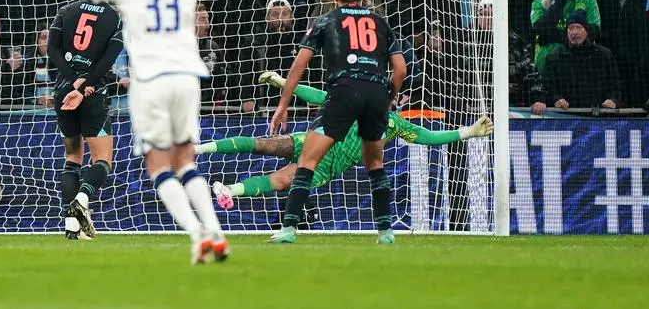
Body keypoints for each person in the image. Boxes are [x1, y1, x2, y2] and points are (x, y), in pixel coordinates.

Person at [0, 0, 302, 263]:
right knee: (185, 160)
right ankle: (214, 231)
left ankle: (197, 235)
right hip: (186, 78)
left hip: (149, 81)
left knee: (158, 166)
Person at [267, 0, 406, 245]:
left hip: (344, 92)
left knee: (308, 160)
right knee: (375, 163)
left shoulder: (327, 21)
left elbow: (299, 65)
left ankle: (289, 229)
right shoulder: (380, 22)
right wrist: (389, 96)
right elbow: (400, 69)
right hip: (376, 93)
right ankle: (386, 232)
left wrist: (283, 105)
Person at [205, 72, 492, 201]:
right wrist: (284, 83)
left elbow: (427, 137)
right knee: (266, 144)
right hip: (315, 141)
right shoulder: (355, 103)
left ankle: (230, 191)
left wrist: (467, 132)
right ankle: (200, 148)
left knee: (283, 179)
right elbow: (320, 96)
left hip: (327, 166)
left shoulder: (395, 124)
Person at [47, 0, 125, 240]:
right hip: (93, 95)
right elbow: (107, 60)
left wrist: (72, 81)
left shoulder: (66, 11)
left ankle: (72, 227)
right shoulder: (115, 18)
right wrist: (85, 85)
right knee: (102, 159)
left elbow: (52, 50)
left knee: (72, 158)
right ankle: (82, 197)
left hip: (63, 93)